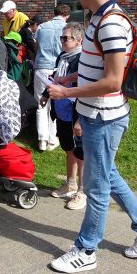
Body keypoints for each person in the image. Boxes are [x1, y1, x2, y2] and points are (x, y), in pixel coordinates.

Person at [48, 0, 137, 274]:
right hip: (95, 115)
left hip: (104, 118)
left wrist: (67, 93)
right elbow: (96, 68)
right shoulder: (98, 19)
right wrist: (71, 77)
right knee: (108, 176)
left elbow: (113, 81)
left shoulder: (111, 23)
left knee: (96, 187)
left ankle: (87, 250)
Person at [44, 22, 86, 210]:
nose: (62, 41)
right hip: (61, 111)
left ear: (78, 41)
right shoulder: (62, 56)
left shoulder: (83, 59)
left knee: (81, 153)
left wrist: (80, 119)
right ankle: (70, 184)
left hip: (76, 112)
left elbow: (85, 87)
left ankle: (83, 191)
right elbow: (54, 79)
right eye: (61, 37)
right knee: (68, 148)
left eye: (66, 38)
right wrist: (45, 95)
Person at [33, 4, 71, 151]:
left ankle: (42, 139)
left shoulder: (42, 27)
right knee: (56, 103)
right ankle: (53, 138)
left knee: (41, 104)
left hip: (42, 67)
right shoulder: (68, 28)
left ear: (54, 13)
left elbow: (36, 48)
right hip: (59, 68)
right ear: (67, 15)